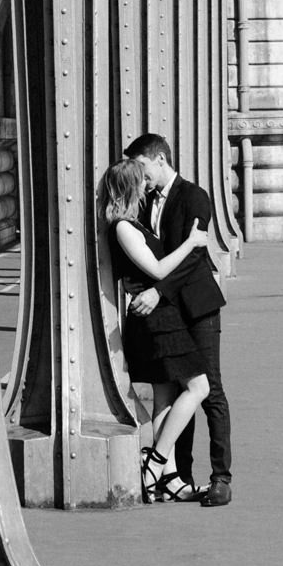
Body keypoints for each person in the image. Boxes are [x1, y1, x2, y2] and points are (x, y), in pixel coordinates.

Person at [124, 132, 233, 508]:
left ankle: (220, 478)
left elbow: (191, 258)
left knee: (210, 391)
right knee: (177, 389)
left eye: (142, 167)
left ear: (159, 159)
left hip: (197, 307)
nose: (141, 177)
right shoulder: (143, 202)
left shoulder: (194, 196)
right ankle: (179, 475)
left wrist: (156, 293)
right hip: (169, 314)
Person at [100, 157, 210, 504]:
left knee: (164, 396)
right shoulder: (123, 228)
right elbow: (159, 270)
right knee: (198, 387)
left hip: (158, 316)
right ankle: (155, 461)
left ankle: (171, 479)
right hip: (156, 320)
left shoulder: (133, 224)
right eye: (141, 181)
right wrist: (191, 243)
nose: (148, 186)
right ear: (130, 187)